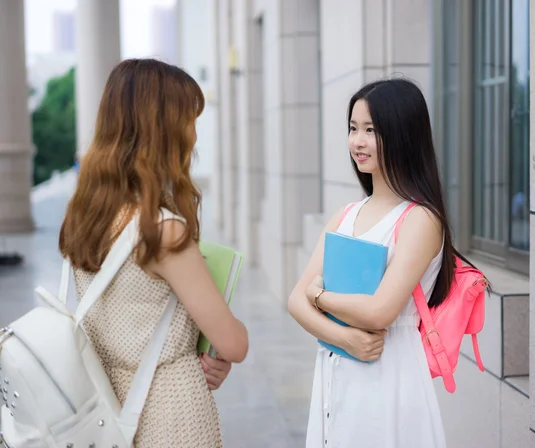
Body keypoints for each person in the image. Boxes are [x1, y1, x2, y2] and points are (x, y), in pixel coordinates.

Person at [59, 58, 248, 447]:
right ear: (163, 129)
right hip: (169, 413)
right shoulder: (160, 230)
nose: (194, 134)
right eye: (189, 119)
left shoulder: (84, 214)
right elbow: (233, 344)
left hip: (102, 407)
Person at [288, 78, 457, 447]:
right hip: (337, 369)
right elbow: (293, 301)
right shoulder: (347, 214)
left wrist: (319, 296)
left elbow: (380, 311)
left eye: (370, 130)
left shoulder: (420, 219)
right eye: (353, 129)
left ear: (402, 135)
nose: (357, 142)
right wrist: (345, 338)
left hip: (389, 375)